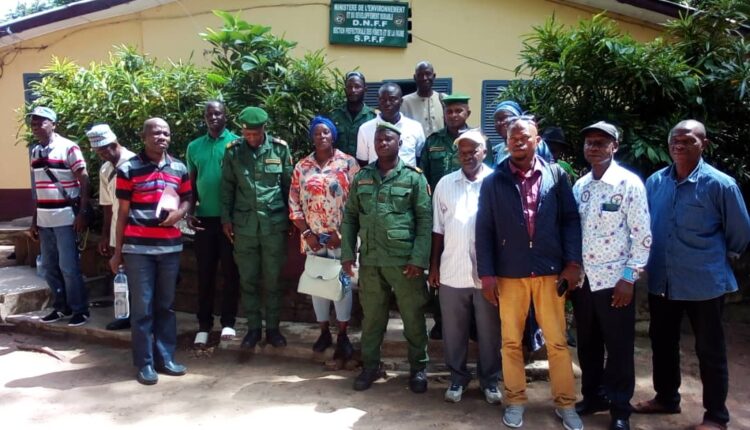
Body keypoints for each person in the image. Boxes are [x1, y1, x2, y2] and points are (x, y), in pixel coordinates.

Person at [634, 120, 750, 430]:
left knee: (710, 350)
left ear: (704, 145)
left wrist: (717, 258)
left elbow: (740, 231)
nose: (679, 144)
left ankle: (716, 416)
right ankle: (666, 398)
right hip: (663, 280)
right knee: (662, 342)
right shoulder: (656, 182)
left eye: (688, 140)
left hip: (704, 283)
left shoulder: (720, 185)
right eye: (675, 139)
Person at [476, 117, 583, 430]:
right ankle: (515, 400)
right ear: (506, 142)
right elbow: (484, 229)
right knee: (511, 342)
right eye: (513, 137)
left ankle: (566, 404)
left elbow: (570, 220)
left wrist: (572, 263)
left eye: (525, 137)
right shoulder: (493, 181)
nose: (519, 141)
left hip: (550, 272)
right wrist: (487, 274)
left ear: (537, 140)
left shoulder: (556, 175)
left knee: (557, 342)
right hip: (510, 274)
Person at [571, 121, 652, 430]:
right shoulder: (581, 187)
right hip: (584, 283)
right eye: (589, 142)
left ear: (614, 147)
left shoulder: (629, 184)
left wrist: (629, 278)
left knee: (618, 348)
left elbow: (642, 236)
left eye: (601, 142)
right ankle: (593, 396)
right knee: (588, 344)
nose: (593, 147)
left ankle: (620, 409)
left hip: (615, 282)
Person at [342, 122, 432, 393]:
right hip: (371, 260)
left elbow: (425, 221)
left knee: (413, 318)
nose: (382, 143)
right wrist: (347, 254)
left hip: (405, 262)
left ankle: (418, 368)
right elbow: (350, 218)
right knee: (372, 319)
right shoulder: (362, 177)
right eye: (378, 139)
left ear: (399, 143)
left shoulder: (414, 178)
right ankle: (371, 366)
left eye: (388, 139)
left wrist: (419, 259)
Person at [110, 118, 192, 385]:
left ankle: (165, 359)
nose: (162, 137)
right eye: (156, 133)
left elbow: (188, 198)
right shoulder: (128, 169)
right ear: (144, 137)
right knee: (142, 309)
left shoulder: (179, 167)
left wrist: (179, 213)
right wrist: (117, 252)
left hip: (170, 248)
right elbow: (122, 214)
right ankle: (144, 363)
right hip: (138, 250)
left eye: (166, 133)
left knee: (166, 306)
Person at [429, 129, 501, 404]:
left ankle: (490, 380)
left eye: (474, 151)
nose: (468, 156)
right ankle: (457, 377)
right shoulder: (445, 184)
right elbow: (437, 229)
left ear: (485, 152)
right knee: (453, 330)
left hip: (488, 274)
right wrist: (434, 265)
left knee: (490, 331)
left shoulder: (497, 182)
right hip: (452, 269)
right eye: (463, 152)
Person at [221, 106, 293, 349]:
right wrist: (226, 219)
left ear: (264, 129)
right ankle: (253, 328)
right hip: (244, 227)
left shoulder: (280, 149)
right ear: (242, 131)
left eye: (256, 133)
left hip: (273, 226)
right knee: (248, 279)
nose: (251, 138)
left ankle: (272, 328)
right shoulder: (233, 151)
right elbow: (227, 187)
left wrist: (292, 219)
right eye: (247, 134)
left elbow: (288, 187)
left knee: (273, 280)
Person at [289, 116, 359, 359]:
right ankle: (323, 332)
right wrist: (307, 233)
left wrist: (343, 234)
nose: (321, 136)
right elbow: (294, 203)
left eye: (326, 132)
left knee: (342, 284)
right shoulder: (302, 166)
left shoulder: (348, 163)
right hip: (313, 239)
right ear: (312, 137)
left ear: (333, 135)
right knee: (317, 284)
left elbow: (358, 201)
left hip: (341, 237)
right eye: (317, 133)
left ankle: (343, 335)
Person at [28, 106, 91, 327]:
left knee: (68, 267)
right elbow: (39, 188)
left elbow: (84, 179)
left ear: (53, 124)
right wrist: (34, 220)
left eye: (41, 122)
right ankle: (60, 307)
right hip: (44, 219)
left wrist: (82, 212)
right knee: (48, 267)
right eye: (33, 123)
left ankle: (80, 310)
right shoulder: (35, 152)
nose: (36, 126)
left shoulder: (68, 147)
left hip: (65, 217)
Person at [185, 101, 241, 346]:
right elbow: (191, 183)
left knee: (231, 272)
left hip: (230, 220)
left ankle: (228, 322)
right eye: (209, 114)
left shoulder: (237, 144)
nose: (213, 117)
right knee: (205, 273)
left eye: (218, 113)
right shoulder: (194, 147)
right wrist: (189, 211)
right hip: (204, 220)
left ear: (226, 116)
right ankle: (204, 325)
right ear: (205, 118)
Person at [418, 92, 471, 340]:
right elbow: (424, 179)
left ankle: (472, 322)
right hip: (439, 216)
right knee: (437, 267)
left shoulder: (478, 141)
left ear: (468, 113)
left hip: (469, 216)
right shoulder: (433, 142)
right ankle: (440, 320)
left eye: (458, 110)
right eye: (449, 111)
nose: (453, 115)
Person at [86, 123, 136, 331]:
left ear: (114, 143)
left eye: (105, 149)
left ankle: (142, 318)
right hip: (117, 230)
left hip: (136, 230)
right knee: (121, 274)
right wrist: (105, 235)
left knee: (139, 276)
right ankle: (125, 315)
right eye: (99, 152)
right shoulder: (105, 169)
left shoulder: (134, 163)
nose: (103, 154)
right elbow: (107, 206)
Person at [356, 82, 426, 167]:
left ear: (401, 101)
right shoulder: (365, 129)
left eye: (392, 99)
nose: (387, 103)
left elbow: (420, 158)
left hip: (408, 175)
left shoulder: (415, 127)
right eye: (383, 99)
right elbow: (363, 162)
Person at [329, 71, 376, 158]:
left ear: (365, 89)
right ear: (345, 90)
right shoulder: (334, 115)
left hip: (364, 165)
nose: (353, 90)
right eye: (349, 87)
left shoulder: (373, 117)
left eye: (357, 86)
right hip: (338, 164)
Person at [491, 101, 552, 167]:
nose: (500, 122)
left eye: (505, 117)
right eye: (496, 119)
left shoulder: (536, 144)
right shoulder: (496, 151)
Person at [401, 61, 444, 138]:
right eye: (420, 75)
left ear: (434, 76)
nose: (424, 78)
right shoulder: (404, 102)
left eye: (428, 74)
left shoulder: (444, 99)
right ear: (415, 78)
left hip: (441, 145)